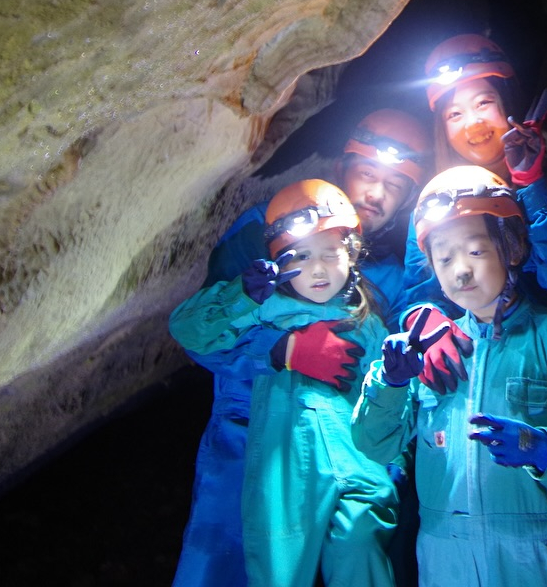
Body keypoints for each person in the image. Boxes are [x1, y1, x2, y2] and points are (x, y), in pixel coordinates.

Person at [403, 33, 547, 587]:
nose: (473, 122)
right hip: (491, 397)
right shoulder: (436, 201)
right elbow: (415, 293)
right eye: (455, 112)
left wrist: (533, 185)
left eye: (483, 102)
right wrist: (424, 322)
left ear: (510, 102)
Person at [167, 109, 431, 587]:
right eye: (367, 173)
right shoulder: (266, 230)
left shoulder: (392, 275)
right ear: (341, 167)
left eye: (393, 185)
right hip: (248, 439)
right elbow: (202, 336)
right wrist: (279, 348)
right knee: (224, 567)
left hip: (349, 449)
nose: (375, 193)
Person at [351, 166, 547, 587]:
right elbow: (375, 443)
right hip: (443, 557)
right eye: (444, 258)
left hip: (532, 556)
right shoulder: (424, 348)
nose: (460, 271)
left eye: (476, 251)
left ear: (513, 246)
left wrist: (543, 449)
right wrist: (388, 385)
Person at [235, 179, 396, 587]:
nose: (319, 269)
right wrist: (272, 338)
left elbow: (392, 400)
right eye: (302, 256)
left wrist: (395, 463)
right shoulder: (266, 313)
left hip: (360, 461)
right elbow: (193, 331)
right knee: (279, 569)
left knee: (360, 550)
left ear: (352, 254)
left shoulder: (368, 323)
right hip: (286, 466)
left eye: (331, 253)